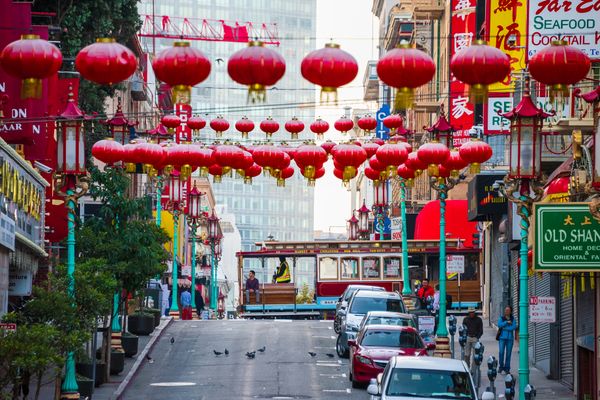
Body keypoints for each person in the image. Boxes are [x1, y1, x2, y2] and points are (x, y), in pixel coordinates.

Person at [497, 305, 517, 374]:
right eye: (505, 310)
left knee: (508, 354)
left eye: (508, 310)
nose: (506, 311)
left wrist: (505, 328)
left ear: (510, 311)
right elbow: (499, 325)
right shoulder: (501, 318)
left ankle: (507, 368)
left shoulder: (513, 319)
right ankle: (501, 367)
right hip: (502, 338)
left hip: (510, 339)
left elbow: (513, 327)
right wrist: (506, 322)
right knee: (501, 352)